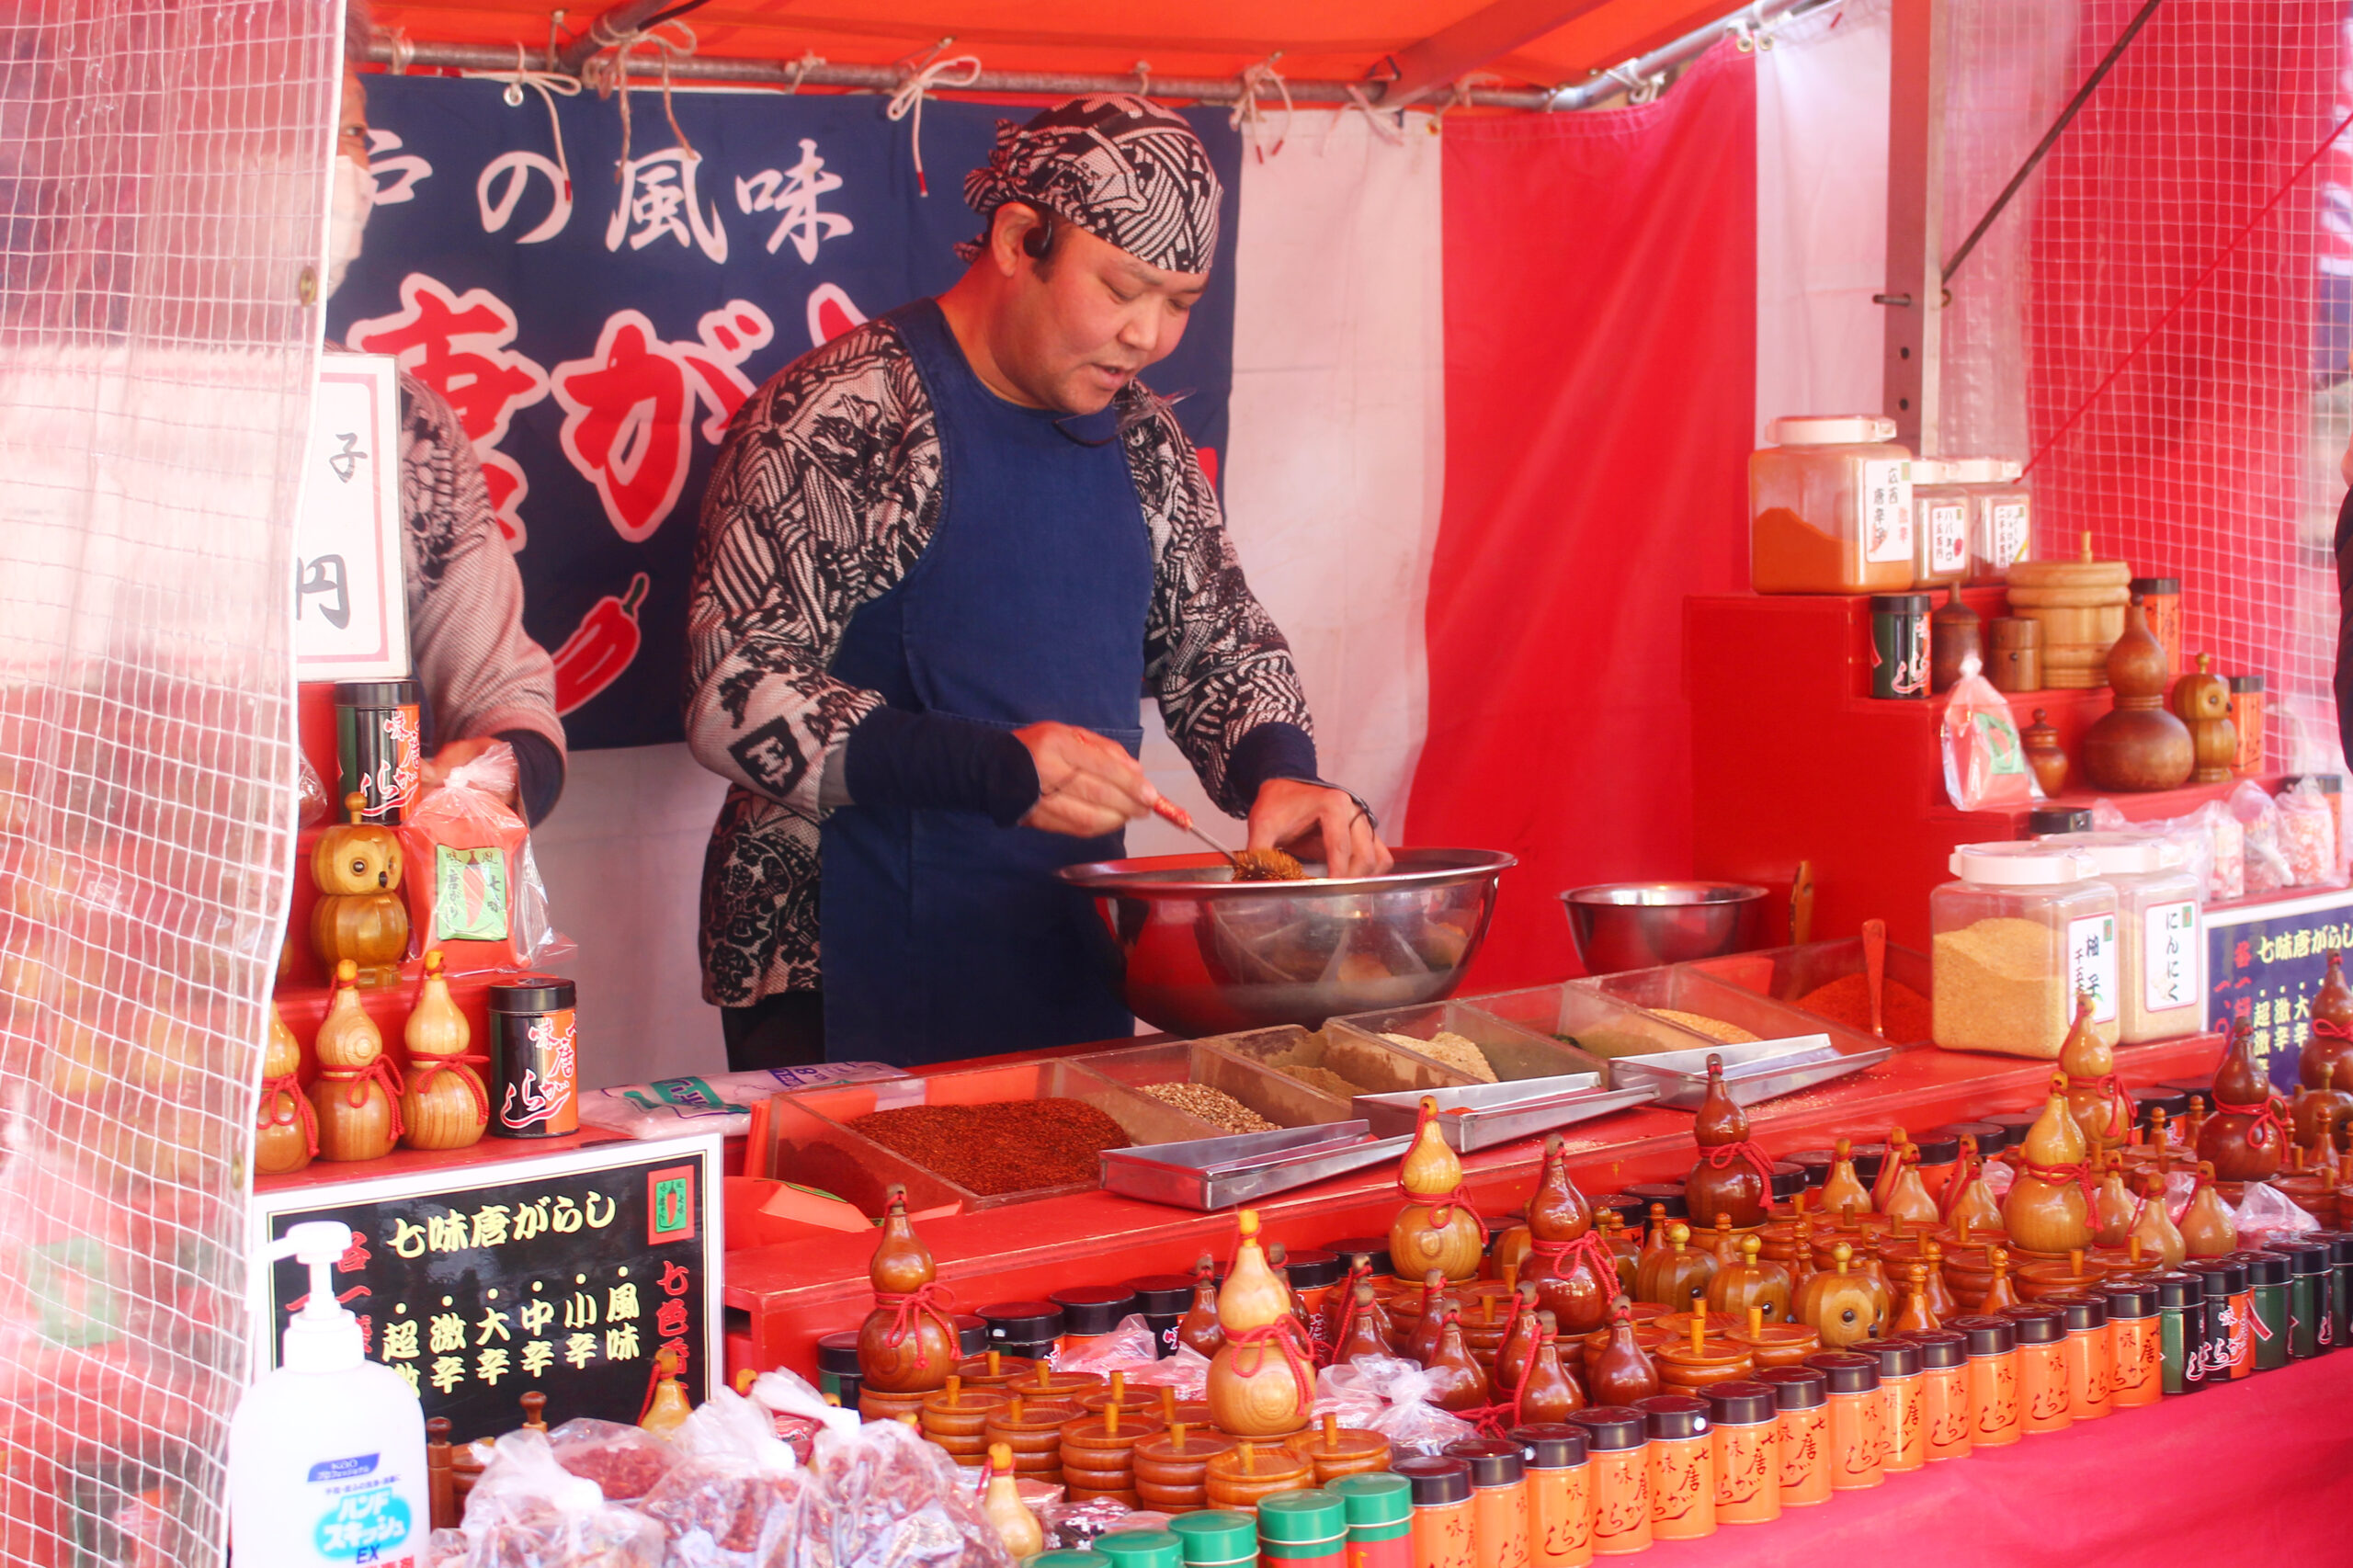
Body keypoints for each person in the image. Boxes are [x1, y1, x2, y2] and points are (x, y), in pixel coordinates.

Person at [686, 95, 1390, 1070]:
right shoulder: (847, 413)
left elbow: (1217, 641)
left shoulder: (1141, 439)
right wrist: (992, 766)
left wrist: (1282, 769)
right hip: (840, 952)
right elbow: (732, 690)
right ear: (1020, 240)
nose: (1149, 335)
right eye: (1124, 289)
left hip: (1063, 940)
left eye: (1181, 302)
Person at [326, 6, 567, 823]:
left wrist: (497, 766)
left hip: (358, 880)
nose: (338, 167)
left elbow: (503, 690)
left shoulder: (403, 424)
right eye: (295, 125)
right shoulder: (51, 402)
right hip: (95, 888)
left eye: (350, 133)